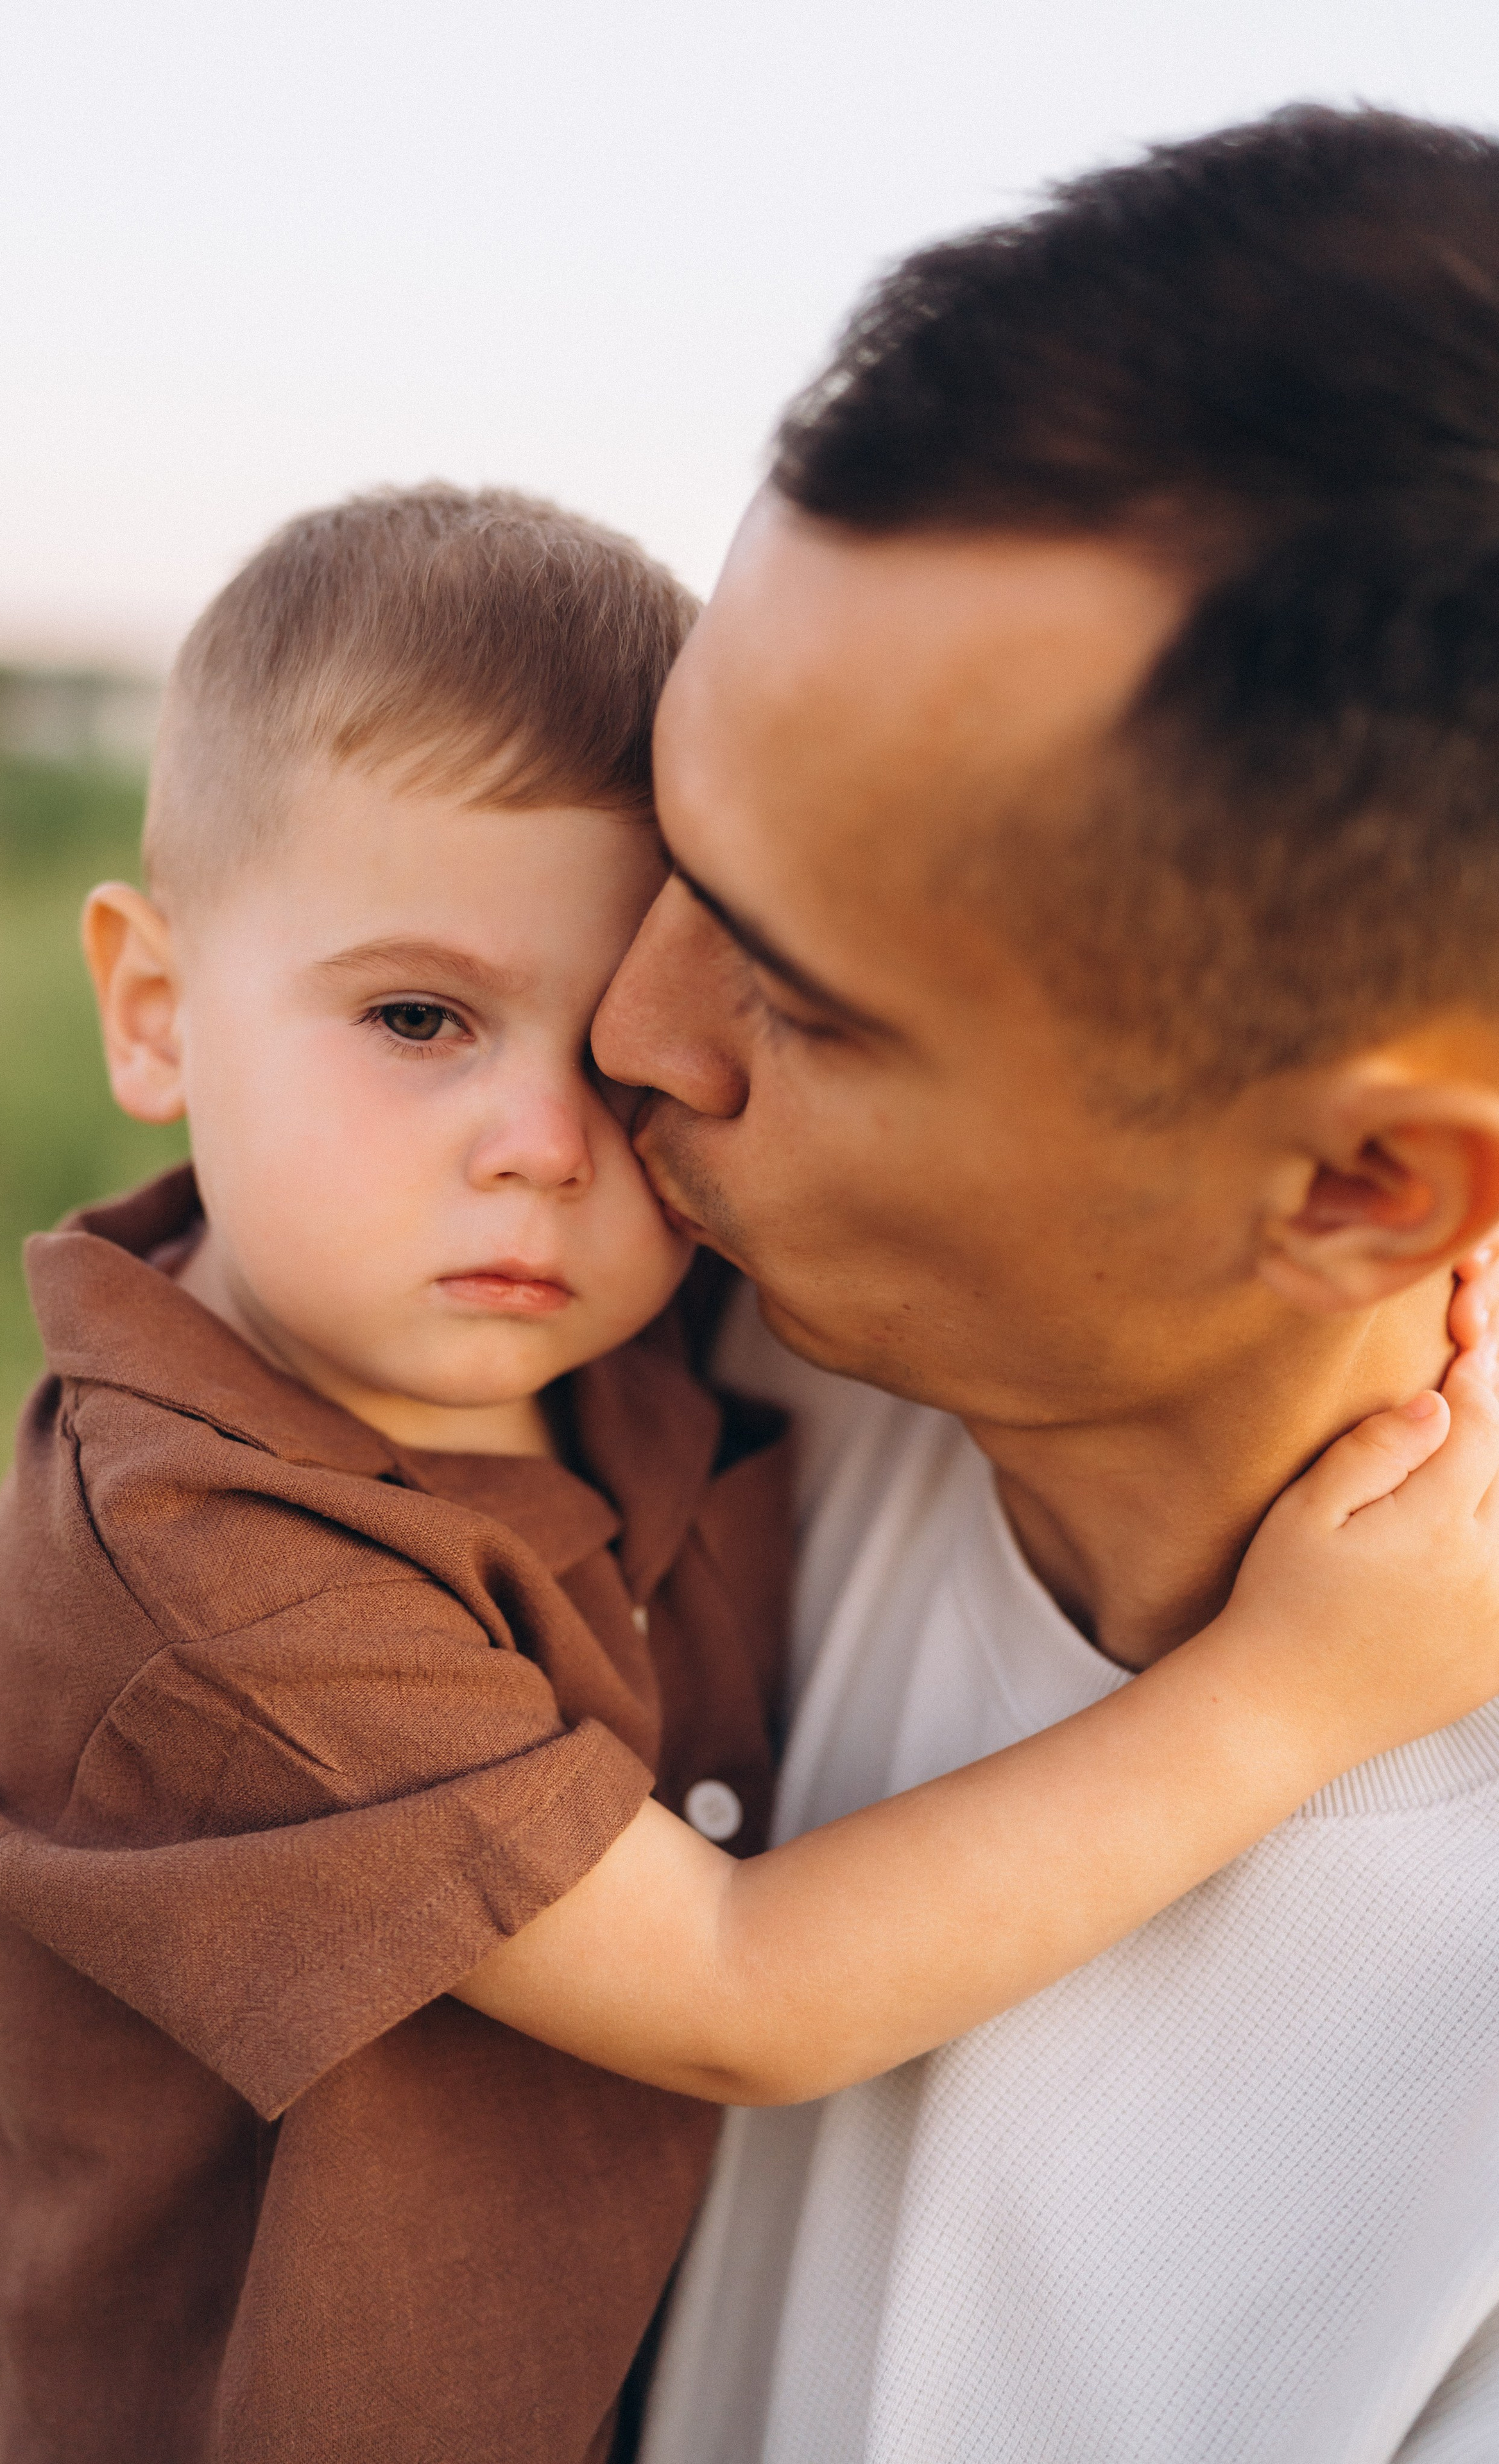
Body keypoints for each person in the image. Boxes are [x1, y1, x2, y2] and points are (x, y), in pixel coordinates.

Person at [0, 481, 1499, 2464]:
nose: (546, 1143)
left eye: (611, 1055)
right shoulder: (191, 1569)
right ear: (154, 1009)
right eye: (419, 1016)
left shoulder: (582, 1327)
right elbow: (742, 1989)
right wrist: (1296, 1695)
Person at [595, 103, 1499, 2464]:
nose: (626, 1034)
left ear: (1371, 1188)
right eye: (658, 847)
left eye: (794, 995)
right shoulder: (636, 1339)